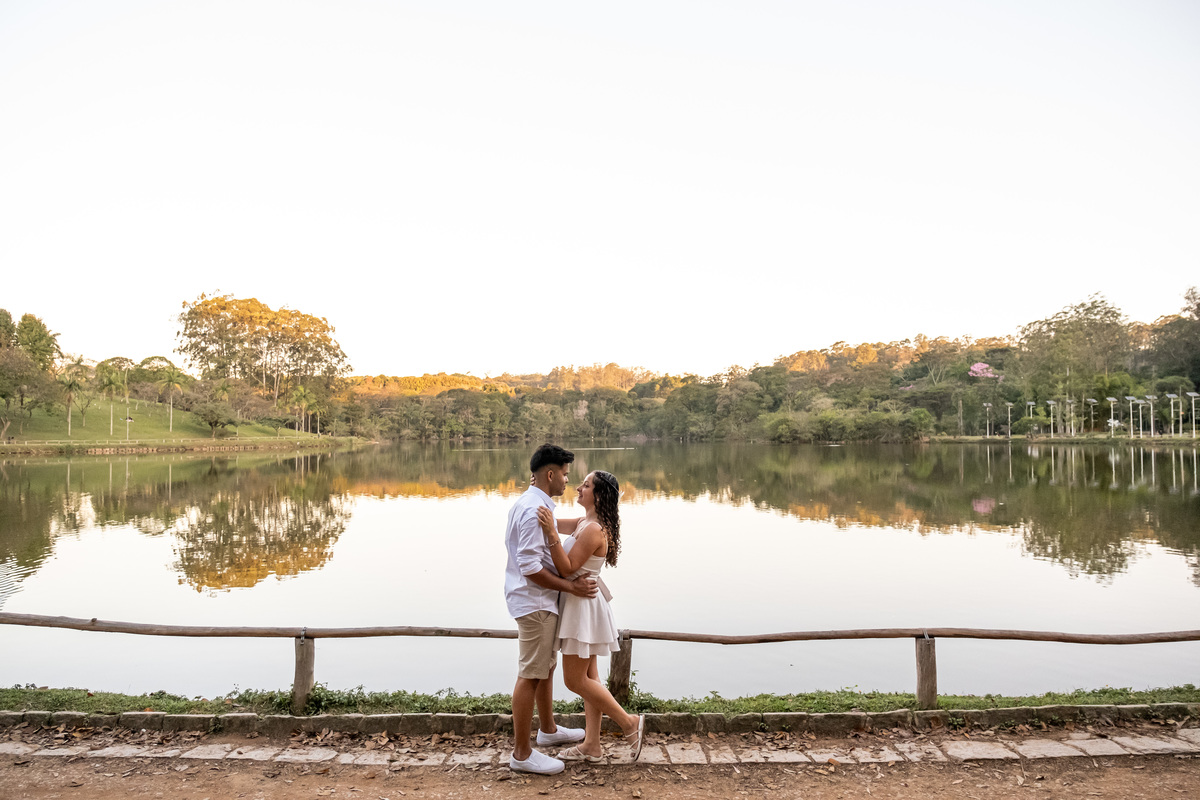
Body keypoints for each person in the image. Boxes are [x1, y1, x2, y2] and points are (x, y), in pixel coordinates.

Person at [537, 470, 645, 763]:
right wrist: (534, 503)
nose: (579, 488)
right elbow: (553, 523)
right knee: (591, 677)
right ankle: (592, 745)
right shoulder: (585, 522)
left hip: (583, 607)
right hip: (582, 604)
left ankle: (628, 723)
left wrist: (549, 535)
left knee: (574, 680)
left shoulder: (594, 529)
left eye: (585, 485)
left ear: (598, 495)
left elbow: (566, 567)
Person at [504, 443, 597, 775]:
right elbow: (530, 567)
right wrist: (571, 586)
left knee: (544, 667)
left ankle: (547, 730)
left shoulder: (536, 504)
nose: (567, 483)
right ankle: (522, 753)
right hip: (535, 601)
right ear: (550, 474)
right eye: (565, 476)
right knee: (530, 673)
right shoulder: (533, 509)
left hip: (539, 601)